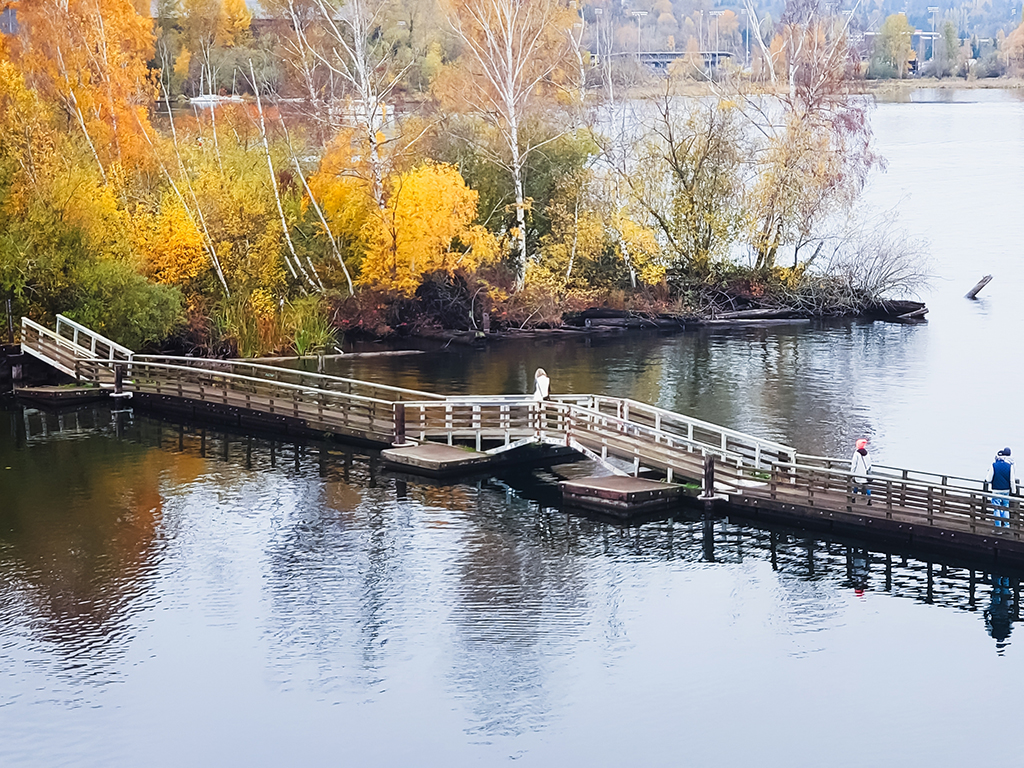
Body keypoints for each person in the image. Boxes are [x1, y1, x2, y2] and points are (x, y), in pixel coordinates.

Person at [985, 447, 1016, 528]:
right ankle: (1007, 525)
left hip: (996, 490)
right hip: (1006, 490)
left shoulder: (994, 465)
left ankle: (998, 526)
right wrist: (1013, 491)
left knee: (996, 508)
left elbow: (988, 479)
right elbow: (1012, 480)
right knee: (1006, 507)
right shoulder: (1010, 466)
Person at [850, 438, 872, 504]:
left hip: (858, 474)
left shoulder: (856, 454)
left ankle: (853, 498)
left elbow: (854, 464)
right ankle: (869, 499)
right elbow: (869, 464)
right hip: (865, 474)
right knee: (867, 487)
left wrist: (852, 473)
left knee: (856, 486)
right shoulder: (867, 453)